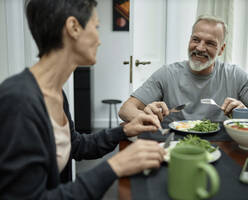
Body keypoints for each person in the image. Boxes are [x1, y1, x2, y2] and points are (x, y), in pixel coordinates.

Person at [0, 0, 165, 199]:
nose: (99, 39)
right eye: (95, 27)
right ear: (73, 27)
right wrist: (116, 165)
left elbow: (76, 145)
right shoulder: (19, 100)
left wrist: (123, 130)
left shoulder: (56, 92)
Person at [119, 15, 248, 125]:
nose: (199, 48)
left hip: (223, 146)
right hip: (174, 146)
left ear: (221, 49)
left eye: (210, 43)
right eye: (195, 39)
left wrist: (247, 114)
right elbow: (126, 109)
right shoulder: (166, 74)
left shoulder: (235, 75)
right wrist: (147, 117)